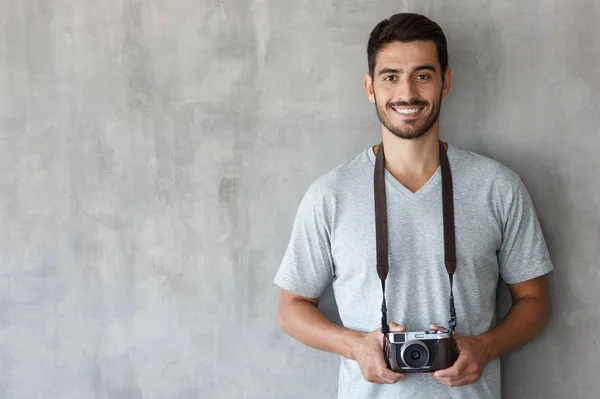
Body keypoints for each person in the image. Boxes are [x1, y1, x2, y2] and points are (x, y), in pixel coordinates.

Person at [273, 12, 553, 399]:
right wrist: (354, 346)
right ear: (370, 87)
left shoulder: (497, 186)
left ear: (445, 82)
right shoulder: (330, 195)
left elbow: (534, 300)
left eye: (423, 75)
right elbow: (291, 307)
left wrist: (484, 347)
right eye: (391, 76)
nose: (407, 93)